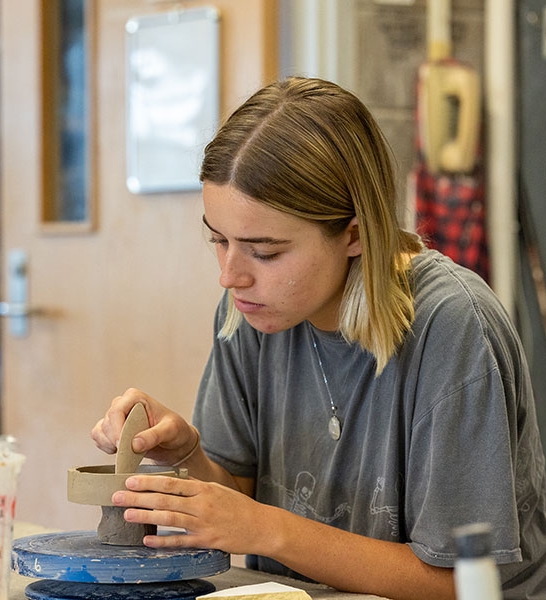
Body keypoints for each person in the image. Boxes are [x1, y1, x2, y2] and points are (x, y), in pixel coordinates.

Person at [91, 77, 546, 600]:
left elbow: (457, 582)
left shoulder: (452, 325)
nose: (231, 275)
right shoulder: (251, 312)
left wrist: (267, 528)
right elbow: (238, 493)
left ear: (353, 234)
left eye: (265, 252)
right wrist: (187, 452)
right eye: (218, 240)